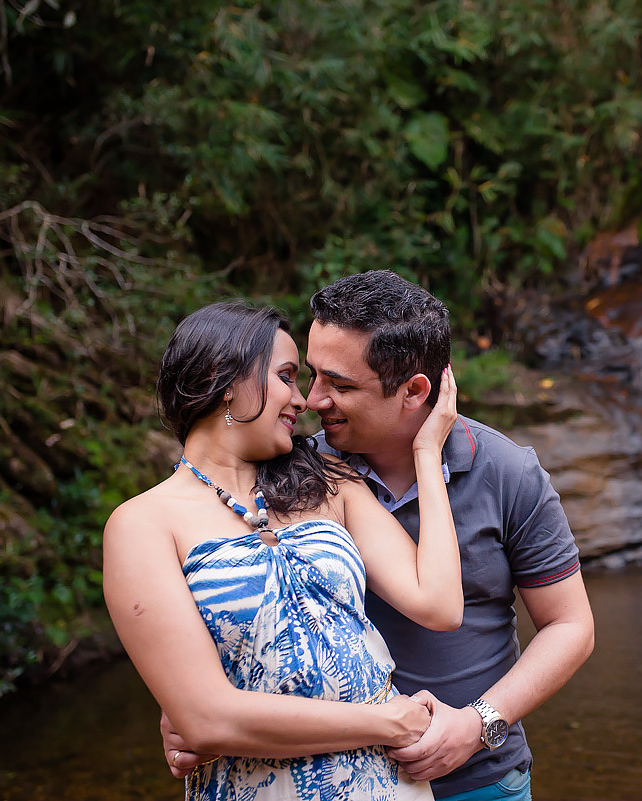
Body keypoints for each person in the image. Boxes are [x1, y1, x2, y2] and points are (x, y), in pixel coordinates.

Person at [166, 271, 596, 801]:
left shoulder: (508, 472)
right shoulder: (297, 472)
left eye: (340, 385)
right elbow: (227, 590)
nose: (312, 401)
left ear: (415, 391)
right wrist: (190, 702)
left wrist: (480, 722)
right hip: (336, 779)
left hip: (481, 779)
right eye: (311, 374)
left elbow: (570, 625)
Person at [104, 300, 463, 800]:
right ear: (222, 377)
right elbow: (206, 719)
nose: (304, 399)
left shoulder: (329, 483)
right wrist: (383, 723)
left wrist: (427, 451)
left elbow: (440, 603)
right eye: (287, 377)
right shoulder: (142, 524)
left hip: (388, 784)